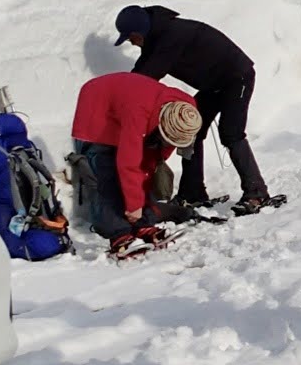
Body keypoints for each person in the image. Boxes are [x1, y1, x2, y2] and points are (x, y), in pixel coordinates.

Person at [115, 4, 282, 215]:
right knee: (190, 131)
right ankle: (192, 192)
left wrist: (122, 98)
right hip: (214, 85)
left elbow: (147, 77)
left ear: (139, 32)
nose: (131, 42)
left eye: (130, 38)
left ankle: (257, 192)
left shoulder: (170, 36)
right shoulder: (158, 36)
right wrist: (122, 92)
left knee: (231, 134)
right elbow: (140, 73)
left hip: (236, 78)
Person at [70, 70, 204, 239]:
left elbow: (157, 154)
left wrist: (148, 175)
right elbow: (128, 163)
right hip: (97, 105)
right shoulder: (138, 112)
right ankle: (119, 233)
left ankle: (143, 223)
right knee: (106, 172)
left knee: (141, 178)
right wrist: (134, 205)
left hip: (130, 104)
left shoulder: (186, 114)